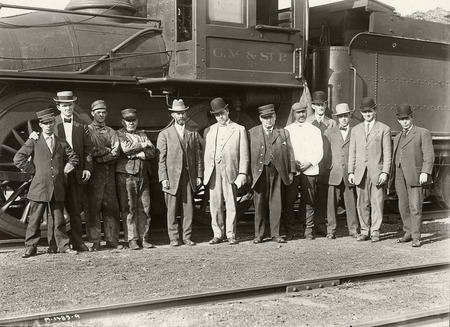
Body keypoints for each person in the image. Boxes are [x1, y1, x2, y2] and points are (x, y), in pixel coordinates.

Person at [14, 108, 79, 258]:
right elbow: (18, 158)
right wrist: (33, 171)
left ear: (54, 124)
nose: (49, 125)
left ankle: (60, 246)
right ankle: (30, 247)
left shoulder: (61, 142)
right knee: (34, 219)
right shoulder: (34, 141)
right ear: (41, 125)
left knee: (59, 219)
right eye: (45, 123)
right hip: (39, 186)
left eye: (51, 122)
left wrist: (65, 170)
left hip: (57, 187)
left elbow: (74, 157)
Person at [157, 99, 203, 247]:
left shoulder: (192, 134)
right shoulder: (165, 134)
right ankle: (174, 238)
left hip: (188, 177)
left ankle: (187, 237)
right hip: (171, 177)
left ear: (186, 113)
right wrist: (163, 177)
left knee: (188, 208)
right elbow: (161, 159)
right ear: (173, 115)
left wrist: (199, 176)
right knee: (171, 209)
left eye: (182, 112)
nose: (181, 115)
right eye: (178, 113)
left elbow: (198, 157)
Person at [203, 97, 249, 245]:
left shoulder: (239, 129)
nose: (220, 117)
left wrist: (242, 173)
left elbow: (244, 154)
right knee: (215, 204)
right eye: (217, 115)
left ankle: (230, 234)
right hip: (214, 171)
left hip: (230, 170)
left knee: (231, 204)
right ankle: (217, 234)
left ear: (227, 111)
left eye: (222, 113)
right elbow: (205, 153)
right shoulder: (208, 131)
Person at [248, 104, 295, 244]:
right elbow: (246, 155)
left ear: (275, 117)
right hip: (259, 172)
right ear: (260, 118)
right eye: (265, 118)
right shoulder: (251, 133)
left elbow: (290, 153)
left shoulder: (283, 132)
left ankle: (276, 234)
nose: (268, 120)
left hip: (278, 171)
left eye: (271, 117)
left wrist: (291, 171)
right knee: (259, 204)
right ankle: (259, 234)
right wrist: (247, 174)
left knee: (276, 203)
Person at [53, 91, 93, 252]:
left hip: (76, 172)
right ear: (58, 107)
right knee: (57, 210)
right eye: (64, 105)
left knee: (76, 210)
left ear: (73, 105)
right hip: (58, 172)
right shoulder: (53, 124)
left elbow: (88, 149)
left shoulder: (81, 124)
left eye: (70, 105)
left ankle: (78, 243)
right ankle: (61, 244)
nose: (68, 108)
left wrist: (88, 168)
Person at [348, 97, 391, 242]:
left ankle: (375, 231)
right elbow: (352, 153)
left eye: (370, 111)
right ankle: (365, 230)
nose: (367, 114)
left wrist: (385, 172)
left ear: (375, 111)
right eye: (364, 112)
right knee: (361, 202)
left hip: (377, 173)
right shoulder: (355, 130)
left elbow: (387, 154)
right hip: (360, 172)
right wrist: (350, 172)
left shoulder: (384, 129)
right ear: (361, 112)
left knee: (377, 202)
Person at [392, 104, 434, 247]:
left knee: (415, 206)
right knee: (403, 206)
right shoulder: (397, 137)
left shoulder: (423, 133)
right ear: (398, 120)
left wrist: (425, 172)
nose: (405, 122)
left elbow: (429, 155)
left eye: (407, 118)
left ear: (412, 117)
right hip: (399, 175)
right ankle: (408, 232)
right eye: (402, 119)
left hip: (415, 175)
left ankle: (416, 236)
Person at [116, 108, 156, 250]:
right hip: (127, 175)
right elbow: (126, 149)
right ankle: (132, 239)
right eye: (128, 121)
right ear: (123, 122)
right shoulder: (120, 134)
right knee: (129, 208)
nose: (131, 123)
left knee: (145, 207)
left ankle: (144, 238)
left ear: (137, 121)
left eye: (133, 121)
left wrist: (141, 155)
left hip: (142, 174)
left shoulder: (142, 134)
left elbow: (152, 152)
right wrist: (143, 145)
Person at [284, 100, 323, 240]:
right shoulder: (287, 130)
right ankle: (290, 231)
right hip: (294, 171)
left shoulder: (314, 130)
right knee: (289, 201)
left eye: (303, 112)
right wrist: (294, 164)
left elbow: (319, 151)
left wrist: (310, 162)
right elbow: (286, 151)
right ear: (294, 114)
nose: (301, 115)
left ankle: (308, 230)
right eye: (298, 112)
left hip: (310, 170)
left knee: (309, 201)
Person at [85, 100, 121, 251]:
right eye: (98, 112)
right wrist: (106, 151)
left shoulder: (112, 132)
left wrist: (101, 155)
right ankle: (95, 241)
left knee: (111, 207)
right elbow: (90, 152)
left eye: (104, 112)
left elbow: (116, 153)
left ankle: (112, 240)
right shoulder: (87, 131)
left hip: (109, 173)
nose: (101, 115)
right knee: (93, 207)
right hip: (94, 173)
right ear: (92, 113)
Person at [323, 103, 359, 239]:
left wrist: (354, 170)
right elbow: (325, 152)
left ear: (349, 116)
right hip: (334, 172)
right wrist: (328, 167)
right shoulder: (329, 132)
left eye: (346, 115)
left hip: (350, 173)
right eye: (341, 116)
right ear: (337, 118)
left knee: (351, 203)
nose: (343, 119)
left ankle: (353, 230)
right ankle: (331, 230)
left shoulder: (356, 131)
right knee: (331, 204)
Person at [306, 91, 336, 235]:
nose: (320, 107)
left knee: (322, 196)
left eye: (323, 104)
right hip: (311, 165)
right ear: (312, 106)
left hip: (325, 165)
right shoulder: (307, 122)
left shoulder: (331, 122)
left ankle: (320, 224)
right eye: (317, 105)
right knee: (309, 197)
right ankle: (307, 226)